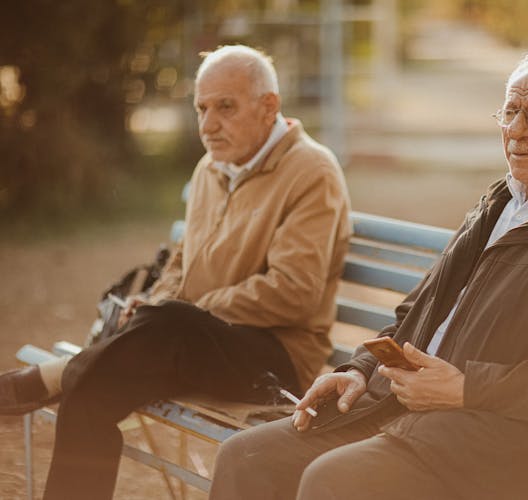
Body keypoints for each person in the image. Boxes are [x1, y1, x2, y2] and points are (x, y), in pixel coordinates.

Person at [208, 48, 528, 500]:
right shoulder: (497, 206)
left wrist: (467, 389)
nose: (516, 131)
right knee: (245, 456)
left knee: (334, 482)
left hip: (492, 448)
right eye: (509, 112)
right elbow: (418, 311)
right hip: (396, 412)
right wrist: (362, 369)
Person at [0, 45, 351, 499]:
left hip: (275, 360)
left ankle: (57, 374)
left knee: (166, 324)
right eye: (201, 108)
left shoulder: (311, 170)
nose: (208, 125)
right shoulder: (210, 168)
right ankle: (78, 375)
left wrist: (179, 310)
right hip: (180, 341)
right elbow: (183, 262)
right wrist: (155, 303)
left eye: (225, 107)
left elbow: (293, 293)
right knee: (90, 395)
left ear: (269, 107)